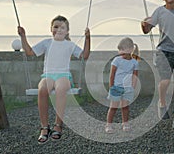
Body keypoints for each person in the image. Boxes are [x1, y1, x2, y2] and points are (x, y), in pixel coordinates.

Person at [18, 15, 90, 144]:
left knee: (60, 89)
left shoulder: (69, 45)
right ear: (51, 29)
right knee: (43, 89)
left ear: (67, 31)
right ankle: (44, 127)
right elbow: (29, 52)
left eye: (62, 27)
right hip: (48, 75)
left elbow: (84, 55)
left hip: (63, 75)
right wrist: (23, 36)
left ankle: (58, 125)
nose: (59, 29)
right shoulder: (47, 43)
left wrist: (88, 38)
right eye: (56, 27)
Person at [105, 37, 139, 133]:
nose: (121, 51)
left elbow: (135, 76)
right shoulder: (116, 60)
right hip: (116, 88)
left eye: (123, 49)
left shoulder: (135, 62)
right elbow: (112, 74)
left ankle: (125, 123)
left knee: (125, 107)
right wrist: (111, 87)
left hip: (127, 89)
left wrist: (132, 87)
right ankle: (109, 125)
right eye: (120, 49)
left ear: (131, 49)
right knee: (113, 107)